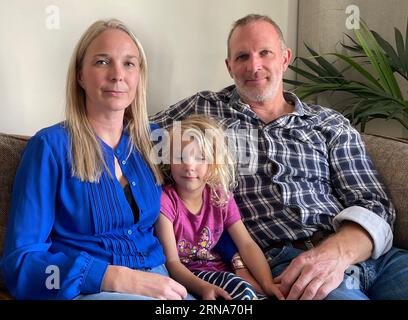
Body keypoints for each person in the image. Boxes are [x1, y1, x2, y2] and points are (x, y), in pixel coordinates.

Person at [150, 14, 408, 299]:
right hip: (288, 264)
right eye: (242, 56)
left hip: (373, 257)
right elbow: (131, 132)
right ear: (229, 67)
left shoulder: (327, 123)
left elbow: (375, 203)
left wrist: (335, 254)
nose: (254, 66)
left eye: (265, 53)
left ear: (285, 58)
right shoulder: (203, 110)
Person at [0, 19, 189, 300]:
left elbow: (205, 196)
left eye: (129, 63)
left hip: (163, 281)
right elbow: (20, 263)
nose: (117, 75)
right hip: (93, 289)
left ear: (139, 76)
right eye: (102, 62)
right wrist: (110, 276)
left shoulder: (154, 140)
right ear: (80, 76)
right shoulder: (49, 147)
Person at [155, 115, 284, 300]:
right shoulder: (166, 201)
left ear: (213, 163)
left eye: (200, 157)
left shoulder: (220, 197)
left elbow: (246, 244)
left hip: (222, 272)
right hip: (190, 278)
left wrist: (267, 283)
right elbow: (173, 262)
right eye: (180, 157)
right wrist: (204, 288)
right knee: (243, 292)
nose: (189, 166)